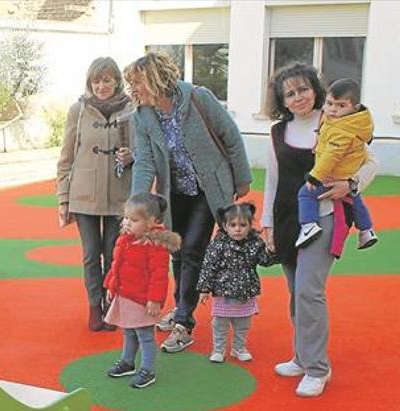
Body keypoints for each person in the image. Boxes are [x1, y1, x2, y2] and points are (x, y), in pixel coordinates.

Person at [124, 51, 252, 353]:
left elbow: (230, 136)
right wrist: (136, 205)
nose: (133, 90)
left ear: (155, 79)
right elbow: (143, 162)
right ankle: (182, 305)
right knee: (177, 252)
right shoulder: (141, 116)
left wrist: (242, 178)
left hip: (208, 190)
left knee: (193, 249)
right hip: (175, 192)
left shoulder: (197, 97)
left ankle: (183, 322)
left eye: (137, 82)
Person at [262, 62, 377, 397]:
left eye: (303, 89)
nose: (298, 97)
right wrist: (266, 223)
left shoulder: (335, 122)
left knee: (309, 290)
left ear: (315, 90)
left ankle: (317, 368)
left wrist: (350, 184)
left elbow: (371, 163)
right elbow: (272, 180)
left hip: (325, 215)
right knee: (295, 291)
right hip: (287, 219)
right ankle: (301, 355)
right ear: (282, 100)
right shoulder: (276, 132)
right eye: (290, 93)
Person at [56, 56, 135, 332]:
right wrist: (63, 198)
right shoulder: (78, 110)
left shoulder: (132, 110)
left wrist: (131, 157)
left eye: (107, 80)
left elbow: (144, 150)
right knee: (91, 254)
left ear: (116, 81)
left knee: (114, 254)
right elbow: (66, 156)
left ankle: (112, 304)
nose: (101, 86)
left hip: (119, 194)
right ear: (90, 82)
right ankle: (94, 305)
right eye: (96, 80)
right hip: (84, 193)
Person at [103, 192, 180, 388]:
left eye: (134, 219)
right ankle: (128, 362)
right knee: (128, 331)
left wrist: (155, 299)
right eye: (126, 218)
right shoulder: (125, 239)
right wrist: (111, 285)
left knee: (145, 335)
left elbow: (159, 275)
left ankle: (147, 370)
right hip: (126, 293)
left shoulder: (155, 245)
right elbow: (116, 264)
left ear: (152, 222)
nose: (128, 223)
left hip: (142, 299)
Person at [295, 78, 377, 250]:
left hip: (333, 175)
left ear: (354, 108)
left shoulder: (342, 130)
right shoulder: (349, 122)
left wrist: (315, 176)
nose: (333, 109)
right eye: (330, 103)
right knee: (356, 200)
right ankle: (366, 230)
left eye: (341, 106)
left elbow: (330, 156)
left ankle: (309, 225)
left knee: (306, 193)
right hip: (347, 172)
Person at [197, 203, 277, 363]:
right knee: (220, 322)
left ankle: (238, 348)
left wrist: (272, 250)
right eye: (233, 225)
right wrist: (204, 288)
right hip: (223, 290)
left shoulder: (255, 243)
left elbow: (264, 261)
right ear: (225, 226)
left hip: (246, 290)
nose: (238, 229)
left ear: (249, 225)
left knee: (243, 322)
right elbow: (209, 265)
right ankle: (218, 349)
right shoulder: (218, 244)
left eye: (242, 225)